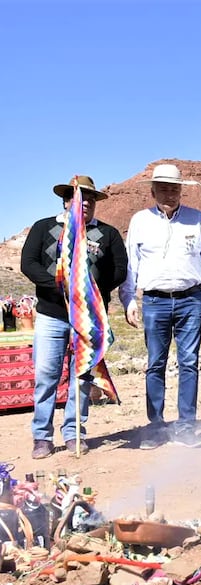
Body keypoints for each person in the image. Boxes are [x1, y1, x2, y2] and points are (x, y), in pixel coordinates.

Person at [20, 176, 128, 459]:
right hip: (51, 314)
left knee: (81, 376)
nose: (86, 203)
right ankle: (41, 436)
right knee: (46, 375)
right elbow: (28, 262)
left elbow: (120, 269)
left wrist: (90, 290)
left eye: (91, 199)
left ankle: (73, 433)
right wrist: (57, 286)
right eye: (80, 197)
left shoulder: (108, 234)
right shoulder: (45, 227)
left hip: (88, 318)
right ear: (67, 200)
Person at [119, 164, 201, 450]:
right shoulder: (140, 221)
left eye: (174, 188)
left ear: (181, 190)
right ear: (152, 191)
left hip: (191, 299)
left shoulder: (197, 219)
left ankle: (187, 425)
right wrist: (128, 300)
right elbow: (131, 266)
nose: (169, 193)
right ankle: (155, 427)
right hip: (154, 301)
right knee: (155, 364)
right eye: (163, 188)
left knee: (189, 363)